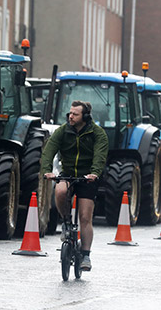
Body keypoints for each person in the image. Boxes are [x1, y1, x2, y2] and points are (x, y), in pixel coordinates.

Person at [41, 100, 108, 271]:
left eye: (75, 114)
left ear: (85, 117)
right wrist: (47, 170)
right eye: (69, 113)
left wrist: (94, 173)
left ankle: (86, 255)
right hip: (69, 173)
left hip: (88, 177)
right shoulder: (63, 131)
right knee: (60, 190)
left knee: (85, 217)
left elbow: (100, 155)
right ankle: (65, 222)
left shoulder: (98, 134)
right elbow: (49, 150)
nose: (70, 116)